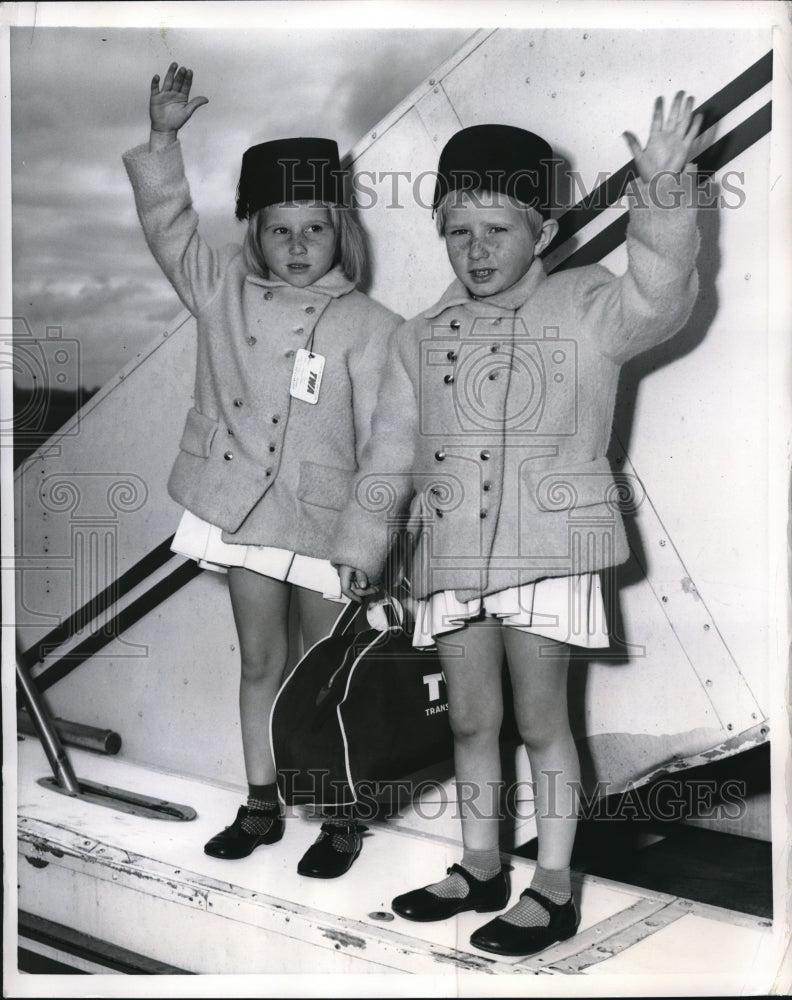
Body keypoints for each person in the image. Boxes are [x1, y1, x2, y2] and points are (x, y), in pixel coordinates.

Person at [334, 93, 701, 952]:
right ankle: (480, 866)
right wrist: (362, 543)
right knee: (469, 722)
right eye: (458, 231)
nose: (477, 249)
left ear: (543, 230)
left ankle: (556, 887)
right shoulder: (419, 336)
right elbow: (390, 451)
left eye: (498, 229)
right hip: (453, 554)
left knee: (542, 722)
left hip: (549, 550)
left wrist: (663, 191)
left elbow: (662, 297)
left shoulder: (589, 303)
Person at [123, 63, 401, 878]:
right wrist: (163, 139)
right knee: (258, 662)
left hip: (326, 526)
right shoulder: (222, 295)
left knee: (328, 675)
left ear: (341, 231)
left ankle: (340, 815)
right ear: (255, 234)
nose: (298, 246)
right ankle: (260, 801)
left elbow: (388, 445)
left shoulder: (373, 325)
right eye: (280, 230)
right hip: (241, 510)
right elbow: (170, 228)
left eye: (314, 229)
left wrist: (370, 544)